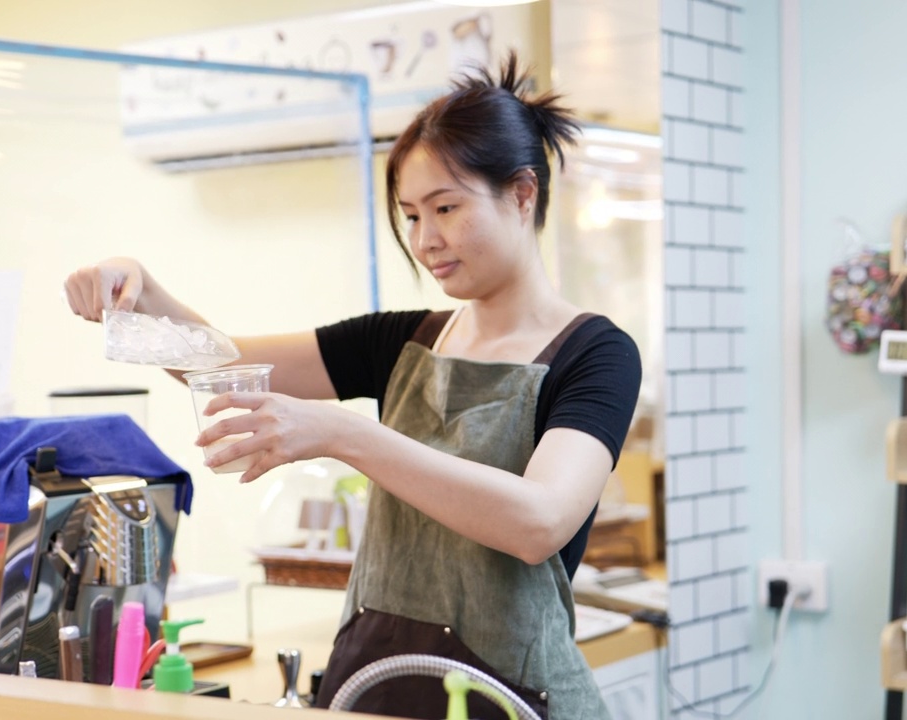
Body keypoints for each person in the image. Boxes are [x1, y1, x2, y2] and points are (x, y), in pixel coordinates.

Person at [65, 52, 640, 720]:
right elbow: (218, 364)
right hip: (377, 686)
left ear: (521, 193)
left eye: (446, 208)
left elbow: (538, 522)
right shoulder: (401, 340)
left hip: (514, 698)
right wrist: (138, 289)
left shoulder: (596, 355)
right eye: (411, 215)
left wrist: (344, 434)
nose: (426, 240)